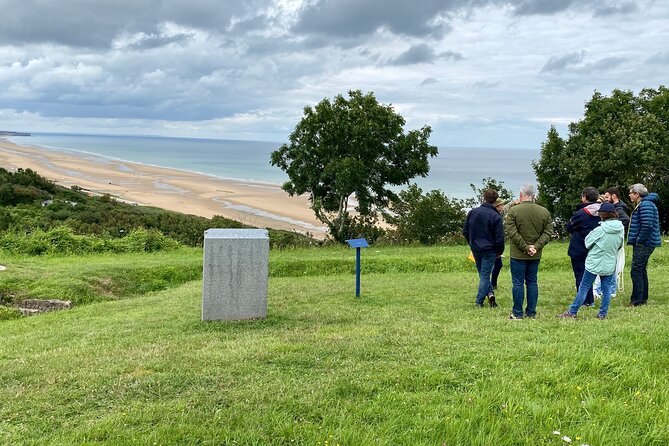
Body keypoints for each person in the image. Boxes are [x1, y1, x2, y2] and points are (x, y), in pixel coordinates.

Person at [558, 202, 624, 319]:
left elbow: (588, 243)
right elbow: (619, 244)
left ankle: (572, 311)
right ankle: (603, 313)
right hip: (609, 261)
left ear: (602, 215)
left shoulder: (600, 229)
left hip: (595, 261)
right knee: (606, 288)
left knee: (584, 287)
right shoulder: (620, 228)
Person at [505, 184, 553, 319]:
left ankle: (517, 313)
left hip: (518, 254)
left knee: (518, 283)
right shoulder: (544, 212)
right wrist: (536, 247)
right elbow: (548, 232)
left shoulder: (513, 211)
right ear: (534, 196)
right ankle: (531, 312)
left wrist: (525, 247)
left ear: (521, 195)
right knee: (532, 282)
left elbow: (512, 232)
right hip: (535, 254)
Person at [463, 189, 505, 308]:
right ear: (495, 200)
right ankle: (479, 301)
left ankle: (490, 294)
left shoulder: (472, 212)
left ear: (483, 198)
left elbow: (465, 230)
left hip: (476, 247)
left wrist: (471, 242)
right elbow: (499, 237)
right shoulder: (496, 216)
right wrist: (499, 251)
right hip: (490, 249)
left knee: (482, 274)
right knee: (485, 275)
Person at [627, 184, 661, 307]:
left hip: (644, 243)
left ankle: (637, 301)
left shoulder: (645, 205)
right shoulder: (645, 204)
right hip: (646, 242)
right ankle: (642, 299)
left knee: (636, 271)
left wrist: (639, 240)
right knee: (641, 270)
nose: (630, 195)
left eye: (631, 193)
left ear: (637, 194)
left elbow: (647, 225)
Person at [566, 187, 601, 307]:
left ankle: (584, 301)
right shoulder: (603, 212)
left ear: (584, 197)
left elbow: (568, 227)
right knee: (591, 274)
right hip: (596, 247)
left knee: (580, 274)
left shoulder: (581, 213)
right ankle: (590, 299)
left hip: (579, 246)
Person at [593, 186, 630, 297]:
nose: (606, 199)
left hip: (612, 240)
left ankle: (601, 289)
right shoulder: (618, 207)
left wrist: (615, 230)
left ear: (614, 196)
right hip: (614, 240)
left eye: (607, 197)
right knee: (611, 265)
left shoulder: (618, 209)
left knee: (607, 265)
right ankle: (611, 290)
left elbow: (626, 220)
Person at [490, 198, 506, 290]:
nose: (503, 206)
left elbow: (506, 208)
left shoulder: (499, 214)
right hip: (492, 245)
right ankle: (491, 285)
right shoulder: (494, 216)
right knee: (490, 266)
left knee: (498, 265)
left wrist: (513, 203)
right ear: (496, 206)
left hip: (495, 246)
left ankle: (493, 284)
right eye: (501, 205)